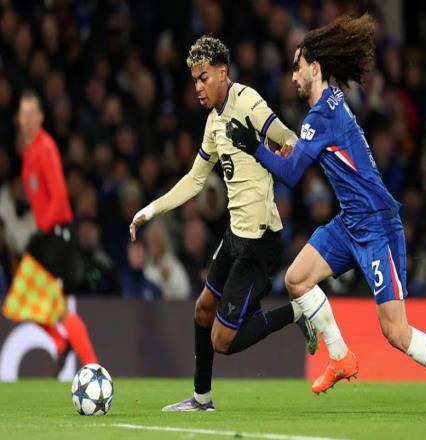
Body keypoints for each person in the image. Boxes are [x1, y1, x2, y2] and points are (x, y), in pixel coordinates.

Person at [227, 14, 426, 416]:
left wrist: (253, 146)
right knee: (296, 279)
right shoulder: (331, 103)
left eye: (297, 67)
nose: (293, 77)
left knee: (395, 331)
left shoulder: (321, 116)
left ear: (315, 68)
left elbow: (291, 174)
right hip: (350, 221)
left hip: (376, 225)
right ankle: (340, 357)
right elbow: (302, 155)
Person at [129, 35, 318, 412]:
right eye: (194, 81)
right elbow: (195, 180)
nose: (198, 87)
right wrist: (150, 210)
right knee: (202, 309)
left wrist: (283, 149)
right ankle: (201, 399)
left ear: (222, 72)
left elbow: (289, 138)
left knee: (222, 340)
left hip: (259, 241)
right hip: (235, 235)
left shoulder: (248, 101)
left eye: (203, 78)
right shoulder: (213, 122)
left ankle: (297, 312)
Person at [13, 90, 98, 369]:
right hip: (46, 232)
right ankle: (62, 343)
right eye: (23, 115)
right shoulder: (29, 152)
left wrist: (43, 230)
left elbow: (60, 197)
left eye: (31, 114)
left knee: (54, 304)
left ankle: (92, 365)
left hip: (58, 232)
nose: (26, 120)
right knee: (22, 297)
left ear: (40, 118)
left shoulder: (45, 148)